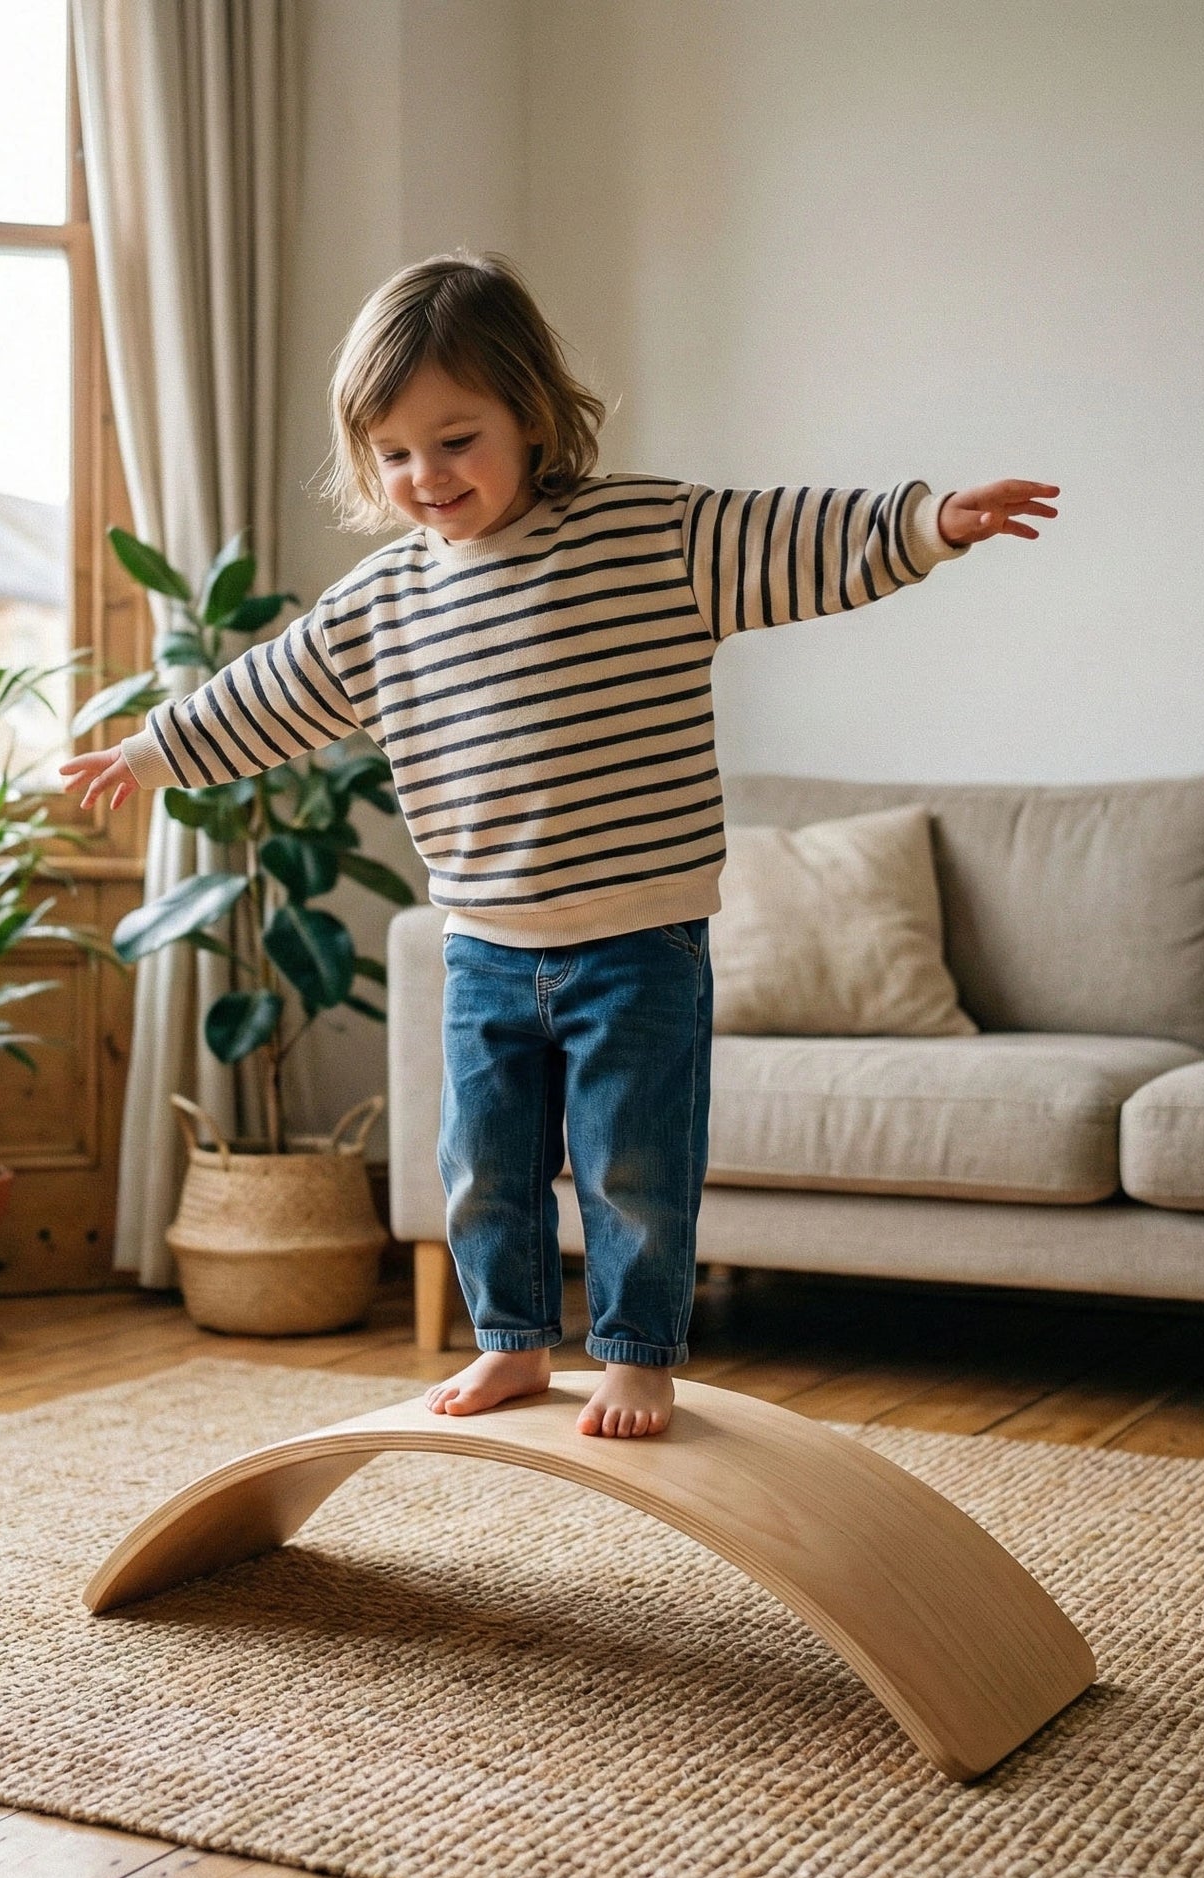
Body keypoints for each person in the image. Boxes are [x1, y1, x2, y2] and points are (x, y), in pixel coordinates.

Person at [62, 252, 1057, 1438]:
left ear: (531, 416)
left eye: (455, 440)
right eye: (393, 453)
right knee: (481, 1165)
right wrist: (151, 751)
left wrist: (924, 524)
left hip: (639, 940)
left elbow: (789, 536)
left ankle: (634, 1353)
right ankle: (513, 1342)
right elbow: (271, 689)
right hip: (482, 942)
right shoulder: (382, 603)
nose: (426, 475)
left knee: (632, 1166)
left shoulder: (643, 534)